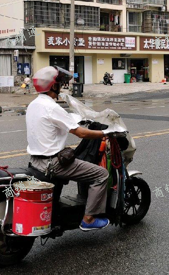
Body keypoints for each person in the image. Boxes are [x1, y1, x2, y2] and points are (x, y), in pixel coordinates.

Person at [26, 66, 110, 231]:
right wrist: (105, 133)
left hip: (36, 162)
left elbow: (58, 121)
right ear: (53, 86)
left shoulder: (33, 105)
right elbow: (81, 133)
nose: (61, 87)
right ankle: (89, 219)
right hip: (53, 164)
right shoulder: (52, 107)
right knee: (101, 174)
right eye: (59, 84)